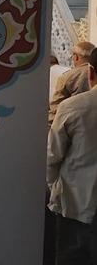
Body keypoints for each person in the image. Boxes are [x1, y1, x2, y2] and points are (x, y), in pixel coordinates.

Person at [48, 47, 97, 263]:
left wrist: (54, 191)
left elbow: (52, 157)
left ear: (91, 72)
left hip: (75, 204)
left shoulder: (73, 107)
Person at [50, 41, 95, 126]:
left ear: (76, 57)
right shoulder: (94, 73)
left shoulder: (67, 77)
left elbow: (56, 109)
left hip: (72, 125)